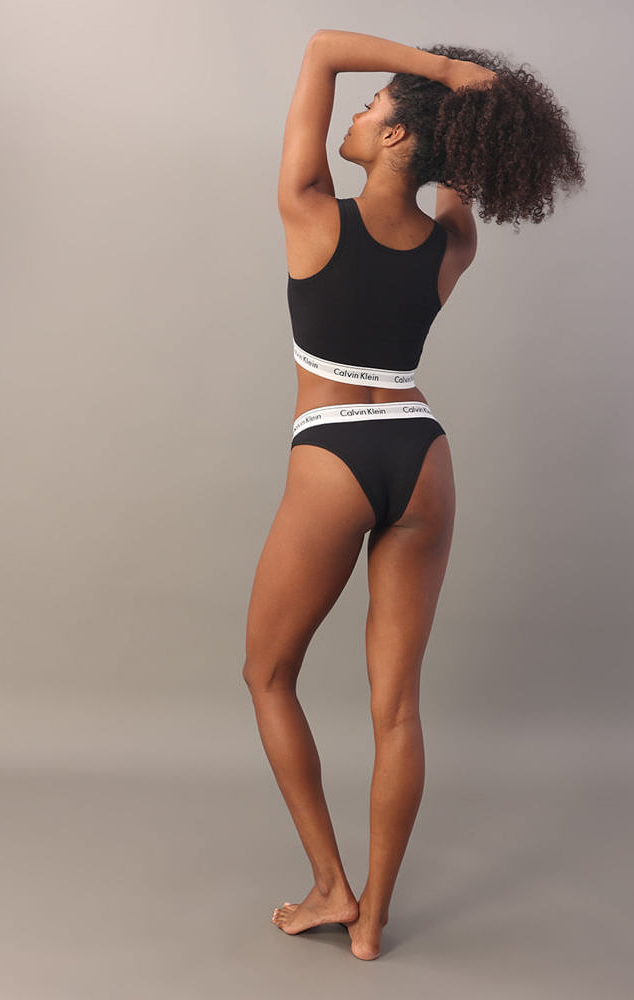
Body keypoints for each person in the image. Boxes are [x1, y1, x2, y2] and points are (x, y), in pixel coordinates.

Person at [241, 29, 585, 961]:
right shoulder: (451, 244)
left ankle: (330, 885)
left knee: (268, 676)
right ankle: (373, 923)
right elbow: (456, 176)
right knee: (398, 708)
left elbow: (321, 48)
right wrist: (462, 107)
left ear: (395, 136)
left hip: (335, 452)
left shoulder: (310, 209)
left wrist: (441, 72)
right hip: (422, 453)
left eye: (372, 106)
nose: (354, 116)